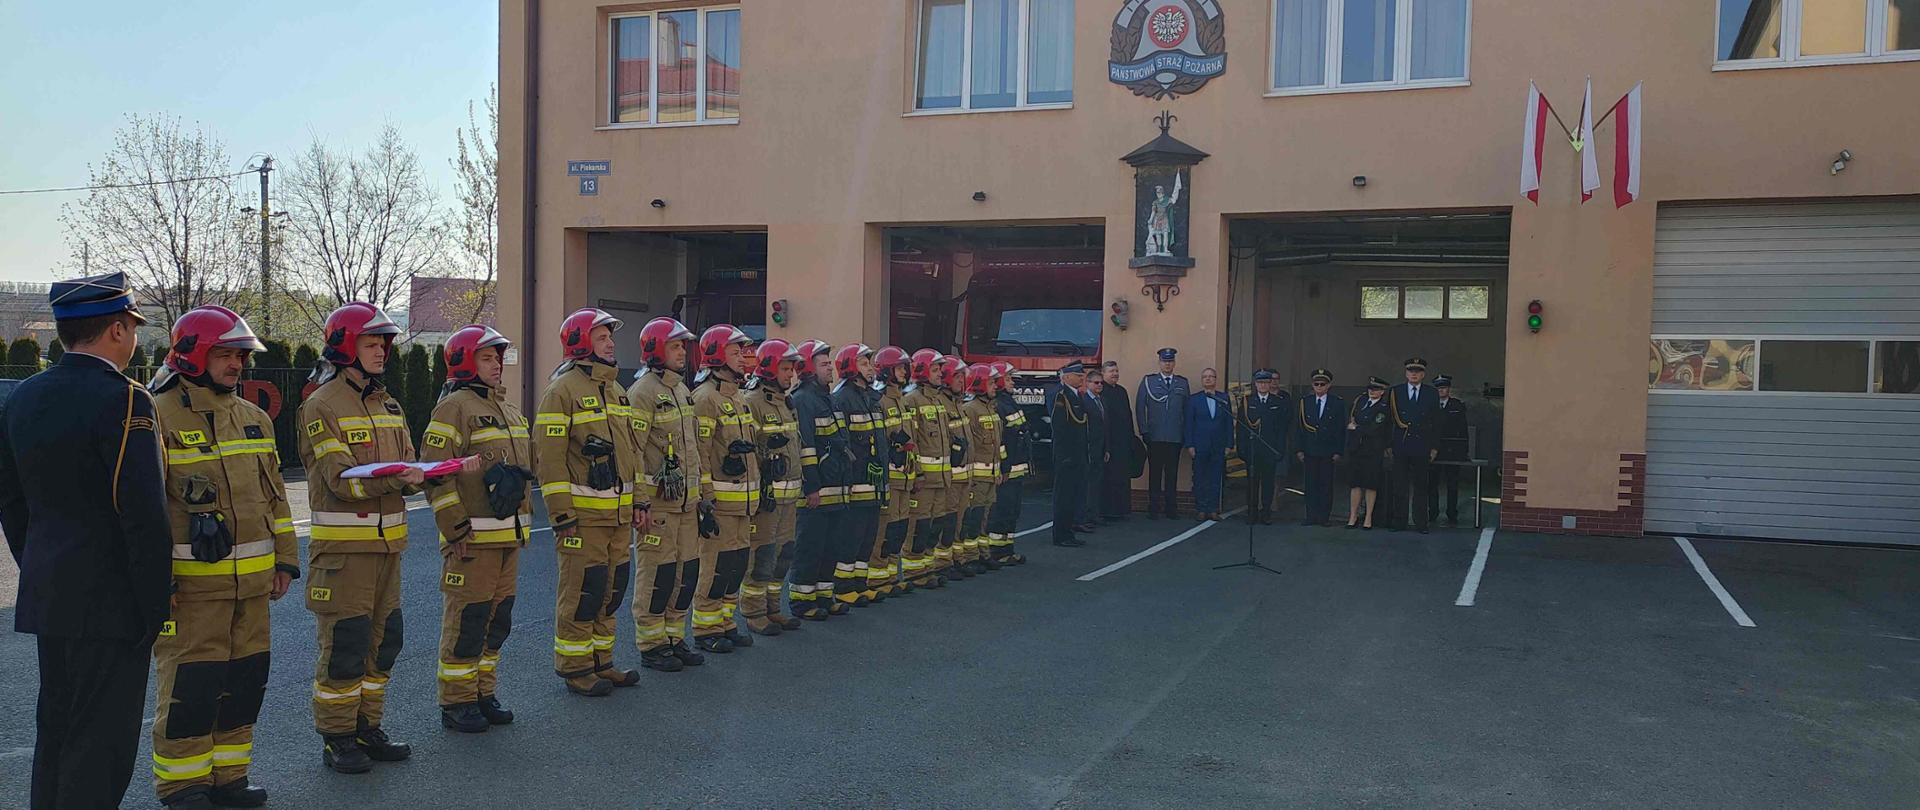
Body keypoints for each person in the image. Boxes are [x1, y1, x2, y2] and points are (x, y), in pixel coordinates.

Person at [0, 272, 167, 809]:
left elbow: (11, 501)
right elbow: (143, 516)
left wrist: (40, 563)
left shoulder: (24, 396)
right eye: (133, 326)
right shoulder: (125, 400)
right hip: (112, 601)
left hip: (53, 591)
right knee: (101, 744)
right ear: (118, 330)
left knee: (58, 728)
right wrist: (154, 604)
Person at [144, 306, 294, 808]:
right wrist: (154, 582)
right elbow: (142, 511)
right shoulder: (154, 416)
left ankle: (229, 778)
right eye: (225, 354)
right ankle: (183, 785)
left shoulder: (253, 418)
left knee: (244, 683)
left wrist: (286, 561)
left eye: (240, 356)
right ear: (192, 355)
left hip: (252, 588)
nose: (237, 365)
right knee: (193, 687)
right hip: (190, 591)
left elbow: (276, 499)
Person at [297, 301, 417, 773]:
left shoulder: (387, 402)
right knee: (345, 645)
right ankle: (337, 737)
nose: (382, 351)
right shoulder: (321, 404)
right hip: (344, 553)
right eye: (372, 343)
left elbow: (406, 457)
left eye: (384, 343)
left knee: (384, 641)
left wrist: (428, 473)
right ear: (345, 346)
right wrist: (400, 478)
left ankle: (368, 726)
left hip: (389, 548)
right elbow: (339, 479)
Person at [421, 325, 532, 733]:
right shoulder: (453, 408)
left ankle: (483, 692)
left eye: (498, 357)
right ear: (466, 361)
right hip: (472, 540)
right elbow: (435, 473)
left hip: (507, 537)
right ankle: (456, 701)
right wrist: (455, 528)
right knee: (467, 622)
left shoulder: (509, 409)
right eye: (487, 357)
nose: (497, 364)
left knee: (496, 621)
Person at [537, 309, 650, 686]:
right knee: (582, 593)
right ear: (581, 342)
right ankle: (575, 668)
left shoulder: (617, 390)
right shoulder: (561, 391)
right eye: (602, 337)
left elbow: (633, 453)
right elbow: (549, 462)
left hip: (617, 518)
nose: (611, 343)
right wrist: (561, 516)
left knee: (611, 591)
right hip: (583, 519)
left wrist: (640, 502)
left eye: (609, 337)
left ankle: (603, 662)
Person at [626, 317, 708, 665]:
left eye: (683, 348)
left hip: (687, 505)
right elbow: (634, 451)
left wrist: (702, 498)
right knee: (657, 574)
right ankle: (651, 644)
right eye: (675, 347)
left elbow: (693, 451)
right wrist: (640, 500)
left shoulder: (681, 390)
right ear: (656, 349)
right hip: (658, 506)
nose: (681, 354)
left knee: (685, 572)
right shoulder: (642, 393)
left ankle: (675, 636)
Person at [690, 324, 761, 652]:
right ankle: (706, 629)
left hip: (745, 502)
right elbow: (701, 453)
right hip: (720, 503)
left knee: (735, 565)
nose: (744, 359)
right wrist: (705, 500)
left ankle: (726, 622)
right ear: (717, 356)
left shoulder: (740, 398)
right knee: (715, 567)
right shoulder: (705, 399)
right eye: (735, 353)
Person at [741, 339, 804, 635]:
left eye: (792, 369)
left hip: (790, 496)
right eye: (786, 369)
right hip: (768, 496)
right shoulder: (752, 401)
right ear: (768, 368)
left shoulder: (786, 403)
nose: (790, 375)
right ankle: (754, 613)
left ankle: (773, 607)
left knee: (784, 554)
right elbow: (748, 450)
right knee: (763, 555)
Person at [788, 340, 847, 619]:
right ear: (809, 369)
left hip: (835, 487)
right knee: (810, 546)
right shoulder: (803, 400)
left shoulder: (829, 398)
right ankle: (802, 601)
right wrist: (812, 487)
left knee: (831, 545)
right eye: (824, 364)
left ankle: (824, 595)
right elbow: (806, 449)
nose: (830, 369)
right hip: (817, 489)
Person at [828, 343, 885, 606]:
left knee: (867, 536)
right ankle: (843, 586)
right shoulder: (842, 398)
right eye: (864, 363)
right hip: (855, 481)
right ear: (851, 367)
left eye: (870, 363)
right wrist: (847, 480)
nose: (870, 368)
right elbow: (842, 443)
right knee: (850, 535)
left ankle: (859, 584)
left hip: (873, 481)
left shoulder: (871, 398)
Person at [901, 350, 954, 587]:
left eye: (940, 370)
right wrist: (918, 474)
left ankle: (928, 568)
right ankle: (915, 572)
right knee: (919, 526)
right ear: (922, 371)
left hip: (942, 478)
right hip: (924, 480)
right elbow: (911, 441)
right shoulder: (912, 400)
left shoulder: (938, 400)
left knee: (935, 524)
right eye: (935, 369)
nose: (940, 374)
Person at [867, 346, 916, 599]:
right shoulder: (879, 401)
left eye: (904, 368)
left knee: (898, 527)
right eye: (899, 368)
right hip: (889, 479)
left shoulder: (902, 401)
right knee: (884, 529)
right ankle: (876, 578)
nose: (904, 373)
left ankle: (890, 575)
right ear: (886, 371)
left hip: (905, 477)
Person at [984, 362, 1030, 566]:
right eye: (1009, 378)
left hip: (1016, 469)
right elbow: (1001, 441)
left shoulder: (1009, 402)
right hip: (1007, 470)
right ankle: (996, 551)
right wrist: (1004, 467)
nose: (1013, 382)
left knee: (1012, 511)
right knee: (1001, 511)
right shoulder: (998, 405)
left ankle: (1007, 549)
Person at [1387, 357, 1440, 534]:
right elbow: (1389, 421)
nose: (1414, 374)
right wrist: (1388, 444)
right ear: (1406, 373)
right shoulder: (1395, 392)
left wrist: (1434, 447)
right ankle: (1399, 521)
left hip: (1421, 444)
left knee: (1421, 486)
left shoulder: (1431, 393)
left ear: (1423, 374)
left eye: (1417, 371)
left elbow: (1436, 422)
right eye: (1411, 371)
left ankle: (1421, 523)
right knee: (1399, 485)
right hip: (1401, 444)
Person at [959, 364, 1004, 572]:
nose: (996, 386)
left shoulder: (990, 408)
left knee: (986, 516)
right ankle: (970, 556)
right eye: (991, 382)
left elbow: (996, 444)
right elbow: (969, 445)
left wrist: (999, 470)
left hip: (991, 475)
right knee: (973, 517)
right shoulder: (971, 409)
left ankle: (983, 553)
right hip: (977, 476)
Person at [1135, 348, 1190, 518]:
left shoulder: (1182, 383)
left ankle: (1171, 508)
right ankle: (1154, 507)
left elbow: (1186, 410)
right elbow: (1139, 407)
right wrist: (1144, 430)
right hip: (1155, 435)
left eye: (1170, 361)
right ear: (1159, 363)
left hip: (1174, 436)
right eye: (1165, 361)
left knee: (1172, 474)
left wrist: (1185, 434)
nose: (1167, 364)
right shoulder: (1148, 381)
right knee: (1155, 474)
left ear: (1174, 363)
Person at [934, 357, 975, 579]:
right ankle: (943, 563)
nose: (962, 381)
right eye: (957, 377)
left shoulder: (959, 404)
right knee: (947, 522)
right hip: (949, 476)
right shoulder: (941, 403)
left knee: (960, 520)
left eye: (963, 377)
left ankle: (957, 559)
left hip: (964, 476)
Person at [1236, 369, 1292, 525]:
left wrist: (1280, 450)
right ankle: (1252, 512)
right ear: (1255, 384)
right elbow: (1241, 428)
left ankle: (1266, 512)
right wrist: (1242, 449)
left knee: (1268, 483)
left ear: (1270, 384)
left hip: (1270, 449)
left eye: (1266, 382)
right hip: (1252, 449)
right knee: (1252, 483)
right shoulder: (1247, 401)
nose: (1263, 385)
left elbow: (1281, 429)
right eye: (1260, 383)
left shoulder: (1278, 402)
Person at [1293, 368, 1345, 527]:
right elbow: (1298, 428)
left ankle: (1324, 517)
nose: (1320, 387)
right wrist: (1299, 449)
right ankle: (1310, 516)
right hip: (1309, 450)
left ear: (1329, 385)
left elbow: (1341, 428)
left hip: (1328, 451)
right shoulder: (1305, 402)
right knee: (1310, 484)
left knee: (1326, 485)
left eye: (1323, 384)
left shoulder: (1337, 403)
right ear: (1312, 385)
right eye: (1316, 384)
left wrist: (1339, 451)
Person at [1048, 361, 1091, 547]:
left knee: (1073, 495)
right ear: (1066, 377)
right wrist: (1064, 456)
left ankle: (1069, 532)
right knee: (1064, 497)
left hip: (1077, 456)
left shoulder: (1077, 397)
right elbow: (1060, 429)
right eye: (1078, 375)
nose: (1082, 378)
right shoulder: (1062, 398)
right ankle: (1061, 534)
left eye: (1082, 376)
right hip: (1066, 457)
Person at [1183, 368, 1233, 521]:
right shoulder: (1193, 400)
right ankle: (1201, 508)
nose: (1208, 379)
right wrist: (1190, 444)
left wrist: (1229, 444)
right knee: (1199, 478)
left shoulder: (1223, 398)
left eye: (1211, 377)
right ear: (1202, 380)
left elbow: (1228, 423)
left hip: (1218, 445)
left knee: (1215, 478)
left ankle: (1213, 509)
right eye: (1205, 377)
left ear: (1216, 379)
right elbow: (1188, 424)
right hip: (1199, 445)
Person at [1345, 377, 1392, 530]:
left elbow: (1375, 429)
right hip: (1357, 449)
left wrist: (1357, 428)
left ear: (1382, 391)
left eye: (1376, 389)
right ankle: (1353, 515)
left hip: (1373, 450)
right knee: (1355, 483)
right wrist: (1357, 428)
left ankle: (1368, 517)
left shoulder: (1384, 407)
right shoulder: (1360, 402)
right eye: (1371, 389)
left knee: (1371, 484)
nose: (1372, 392)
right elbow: (1351, 419)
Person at [1428, 375, 1470, 527]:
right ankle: (1432, 512)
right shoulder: (1430, 405)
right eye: (1439, 388)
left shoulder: (1457, 405)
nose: (1441, 391)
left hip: (1452, 450)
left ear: (1449, 389)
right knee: (1432, 484)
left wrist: (1464, 451)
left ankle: (1452, 514)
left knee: (1452, 484)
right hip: (1434, 450)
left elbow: (1463, 430)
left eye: (1444, 388)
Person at [1097, 361, 1136, 521]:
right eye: (1111, 371)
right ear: (1103, 373)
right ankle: (1107, 512)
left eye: (1117, 371)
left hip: (1123, 443)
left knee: (1122, 478)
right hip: (1108, 444)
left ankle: (1121, 510)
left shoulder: (1121, 391)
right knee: (1108, 479)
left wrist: (1131, 438)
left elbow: (1128, 416)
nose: (1115, 374)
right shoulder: (1101, 391)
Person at [1078, 374, 1107, 533]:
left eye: (1101, 383)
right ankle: (1085, 516)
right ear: (1088, 383)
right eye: (1096, 383)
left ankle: (1094, 514)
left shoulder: (1101, 400)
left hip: (1100, 448)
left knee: (1096, 482)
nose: (1099, 385)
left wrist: (1106, 448)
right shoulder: (1084, 401)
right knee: (1087, 483)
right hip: (1089, 448)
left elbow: (1105, 427)